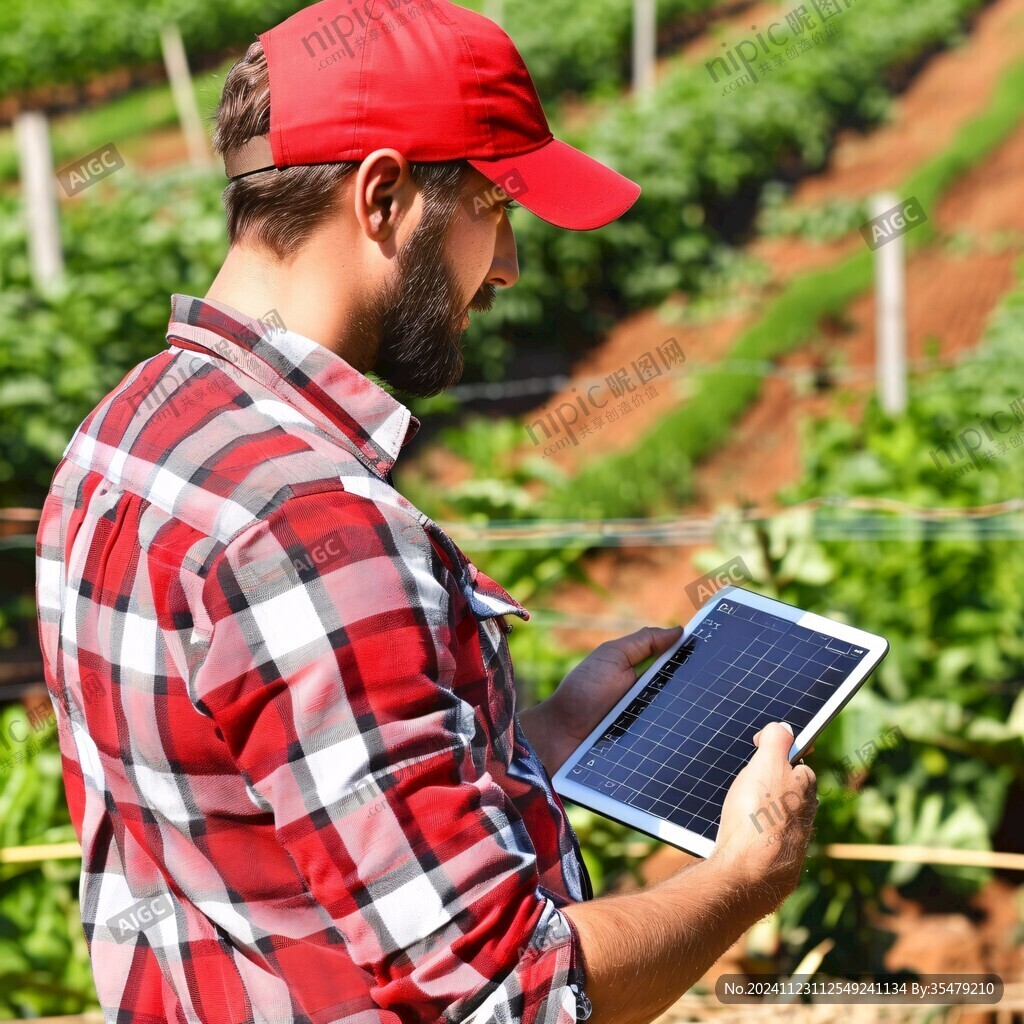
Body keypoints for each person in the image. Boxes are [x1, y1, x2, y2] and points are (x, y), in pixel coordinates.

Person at [34, 1, 818, 1021]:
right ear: (385, 195)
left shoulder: (123, 436)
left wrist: (536, 735)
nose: (506, 268)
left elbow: (259, 810)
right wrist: (740, 878)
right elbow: (511, 991)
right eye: (494, 208)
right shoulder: (314, 532)